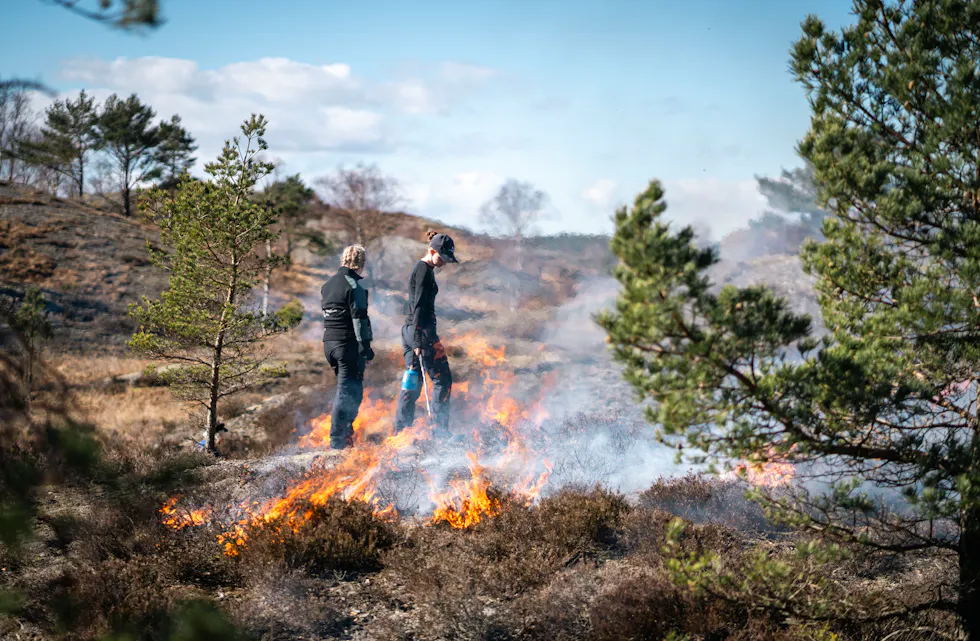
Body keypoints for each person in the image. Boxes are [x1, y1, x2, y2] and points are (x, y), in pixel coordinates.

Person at [394, 229, 459, 437]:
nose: (445, 262)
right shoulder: (423, 269)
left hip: (414, 330)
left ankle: (402, 431)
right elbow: (418, 306)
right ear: (432, 251)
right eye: (443, 257)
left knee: (412, 380)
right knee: (442, 380)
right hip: (421, 333)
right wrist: (418, 340)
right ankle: (440, 431)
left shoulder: (426, 269)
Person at [320, 244, 375, 450]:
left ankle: (345, 435)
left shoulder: (327, 284)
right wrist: (366, 348)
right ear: (360, 263)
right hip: (346, 345)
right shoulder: (354, 287)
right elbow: (360, 320)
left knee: (347, 390)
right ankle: (337, 440)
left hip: (329, 345)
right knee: (348, 392)